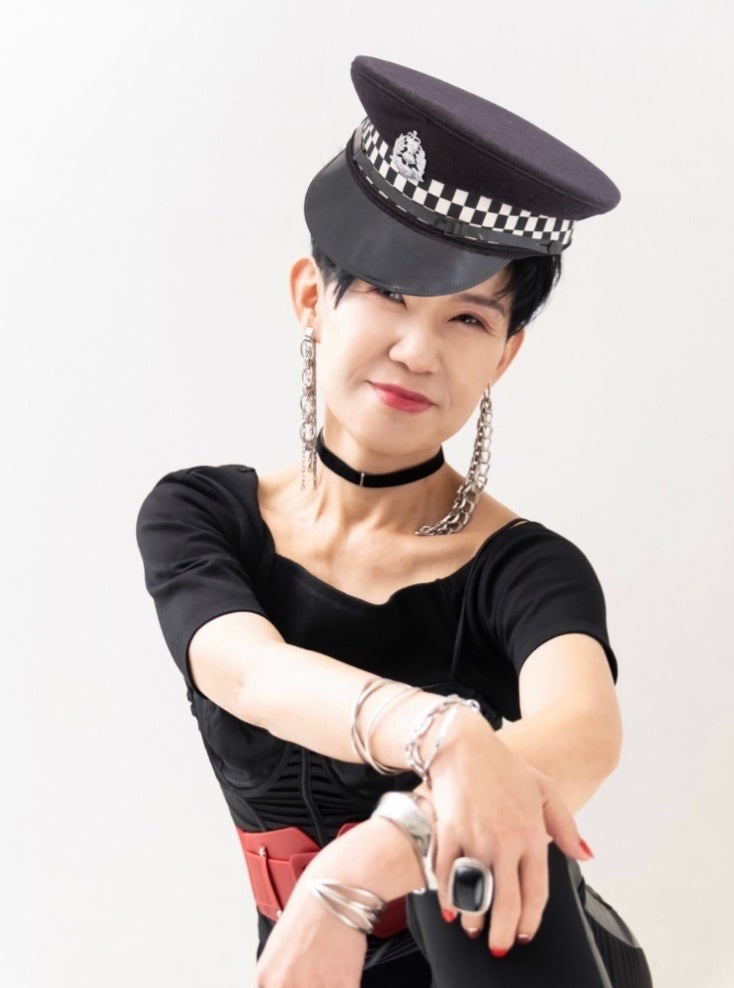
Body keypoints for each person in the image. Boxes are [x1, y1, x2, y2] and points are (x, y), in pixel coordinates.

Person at [135, 55, 654, 987]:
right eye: (388, 294)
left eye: (468, 321)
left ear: (504, 357)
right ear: (312, 297)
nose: (418, 351)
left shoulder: (523, 566)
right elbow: (245, 670)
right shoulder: (203, 514)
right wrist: (446, 736)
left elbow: (583, 733)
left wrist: (371, 857)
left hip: (506, 957)